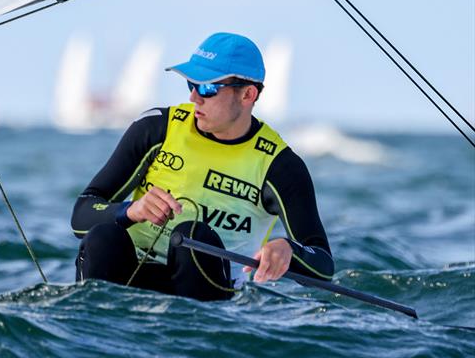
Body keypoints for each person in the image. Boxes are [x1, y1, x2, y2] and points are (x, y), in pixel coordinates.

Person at [70, 32, 334, 301]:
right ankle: (95, 329)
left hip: (207, 293)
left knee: (192, 237)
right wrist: (131, 210)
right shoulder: (155, 128)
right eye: (190, 84)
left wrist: (290, 250)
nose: (195, 98)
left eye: (208, 88)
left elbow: (323, 265)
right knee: (102, 237)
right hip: (130, 282)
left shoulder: (280, 166)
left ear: (247, 95)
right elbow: (81, 214)